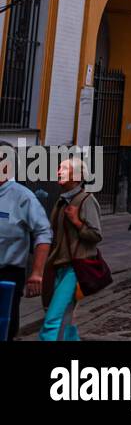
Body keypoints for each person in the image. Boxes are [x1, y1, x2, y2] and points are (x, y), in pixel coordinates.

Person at [40, 157, 103, 341]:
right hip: (59, 266)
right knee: (67, 319)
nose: (58, 171)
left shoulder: (86, 200)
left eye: (64, 169)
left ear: (76, 176)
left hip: (75, 268)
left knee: (52, 319)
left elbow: (97, 235)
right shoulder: (61, 201)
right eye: (59, 168)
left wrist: (76, 222)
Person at [0, 140, 52, 341]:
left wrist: (37, 273)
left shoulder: (23, 197)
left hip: (7, 274)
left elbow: (43, 233)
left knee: (5, 325)